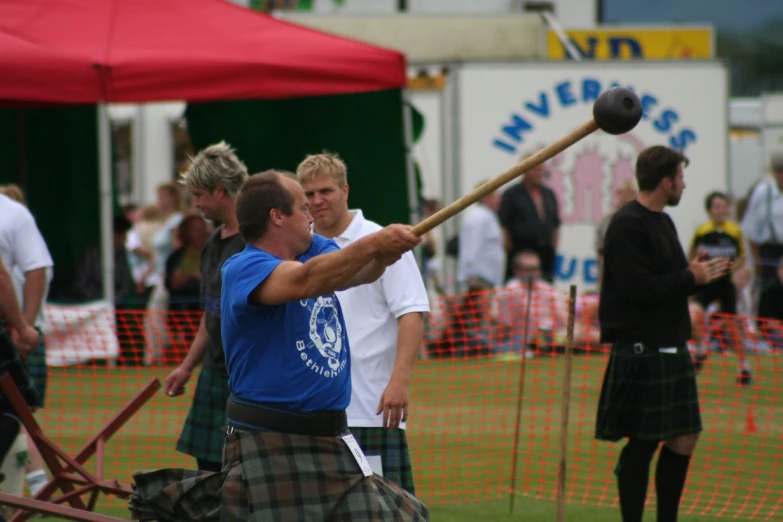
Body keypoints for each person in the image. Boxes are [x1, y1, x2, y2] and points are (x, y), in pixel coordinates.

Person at [129, 170, 428, 521]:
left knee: (403, 515)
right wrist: (375, 244)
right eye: (303, 207)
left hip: (332, 437)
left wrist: (383, 255)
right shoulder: (243, 267)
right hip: (272, 437)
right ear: (277, 216)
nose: (311, 214)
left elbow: (356, 273)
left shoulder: (313, 247)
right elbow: (305, 280)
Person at [596, 146, 730, 522]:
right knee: (643, 443)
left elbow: (670, 282)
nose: (684, 185)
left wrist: (700, 274)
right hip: (642, 348)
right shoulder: (627, 225)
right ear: (666, 181)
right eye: (681, 178)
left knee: (685, 436)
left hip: (671, 344)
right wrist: (690, 276)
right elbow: (639, 289)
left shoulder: (663, 222)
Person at [297, 152, 430, 494]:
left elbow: (412, 314)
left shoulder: (385, 241)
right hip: (311, 408)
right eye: (308, 194)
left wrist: (399, 381)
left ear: (345, 190)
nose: (317, 201)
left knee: (383, 510)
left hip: (370, 405)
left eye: (325, 191)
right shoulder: (300, 247)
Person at [164, 141, 248, 473]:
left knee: (241, 476)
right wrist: (186, 367)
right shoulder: (213, 243)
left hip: (245, 379)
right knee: (208, 472)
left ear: (219, 190)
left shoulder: (255, 242)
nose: (195, 204)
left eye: (198, 195)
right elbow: (209, 316)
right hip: (213, 374)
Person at [687, 191, 752, 384]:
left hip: (725, 284)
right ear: (709, 210)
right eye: (717, 206)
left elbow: (742, 256)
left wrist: (735, 268)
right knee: (694, 314)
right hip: (706, 283)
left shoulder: (734, 231)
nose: (721, 210)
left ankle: (744, 366)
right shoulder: (702, 231)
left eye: (724, 206)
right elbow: (691, 253)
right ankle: (701, 350)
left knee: (732, 327)